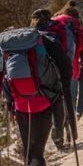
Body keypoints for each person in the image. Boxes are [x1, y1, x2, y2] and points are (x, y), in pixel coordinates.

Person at [0, 12, 74, 166]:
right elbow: (65, 65)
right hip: (44, 102)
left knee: (29, 153)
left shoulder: (8, 49)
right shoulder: (46, 41)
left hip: (21, 105)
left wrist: (10, 103)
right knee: (38, 151)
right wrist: (65, 87)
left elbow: (2, 77)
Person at [52, 1, 83, 118]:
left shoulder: (55, 22)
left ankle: (68, 115)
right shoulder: (75, 25)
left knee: (68, 91)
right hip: (74, 62)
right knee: (79, 87)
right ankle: (77, 112)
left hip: (54, 64)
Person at [31, 9, 72, 151]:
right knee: (57, 103)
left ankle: (36, 145)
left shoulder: (25, 42)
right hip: (50, 84)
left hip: (29, 86)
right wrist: (66, 83)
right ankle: (58, 136)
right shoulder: (50, 38)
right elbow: (64, 63)